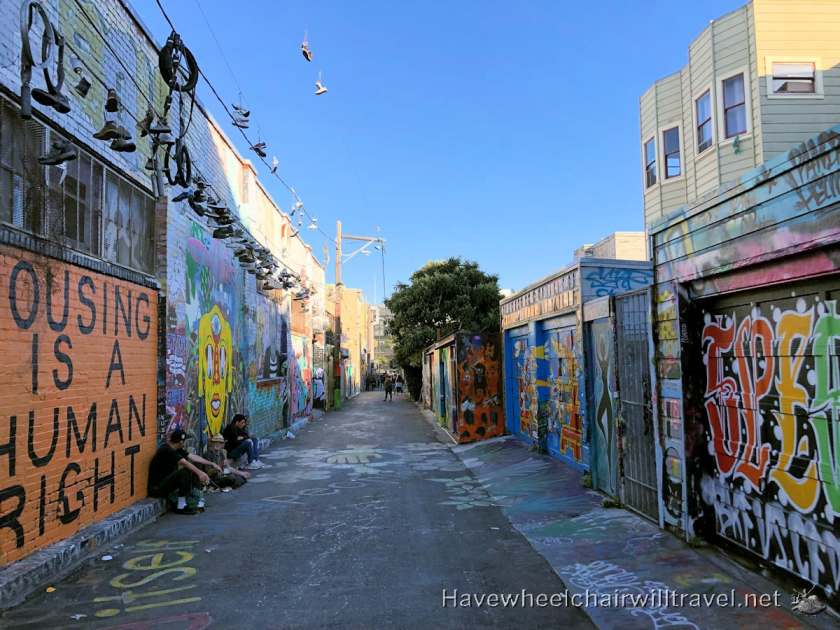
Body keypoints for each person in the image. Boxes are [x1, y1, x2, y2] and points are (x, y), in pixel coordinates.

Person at [148, 429, 220, 514]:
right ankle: (181, 506)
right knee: (185, 471)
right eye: (184, 441)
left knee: (193, 468)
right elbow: (184, 462)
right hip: (157, 488)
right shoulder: (166, 450)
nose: (185, 443)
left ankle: (195, 498)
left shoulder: (175, 448)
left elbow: (192, 457)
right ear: (181, 442)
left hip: (166, 483)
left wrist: (211, 463)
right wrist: (200, 473)